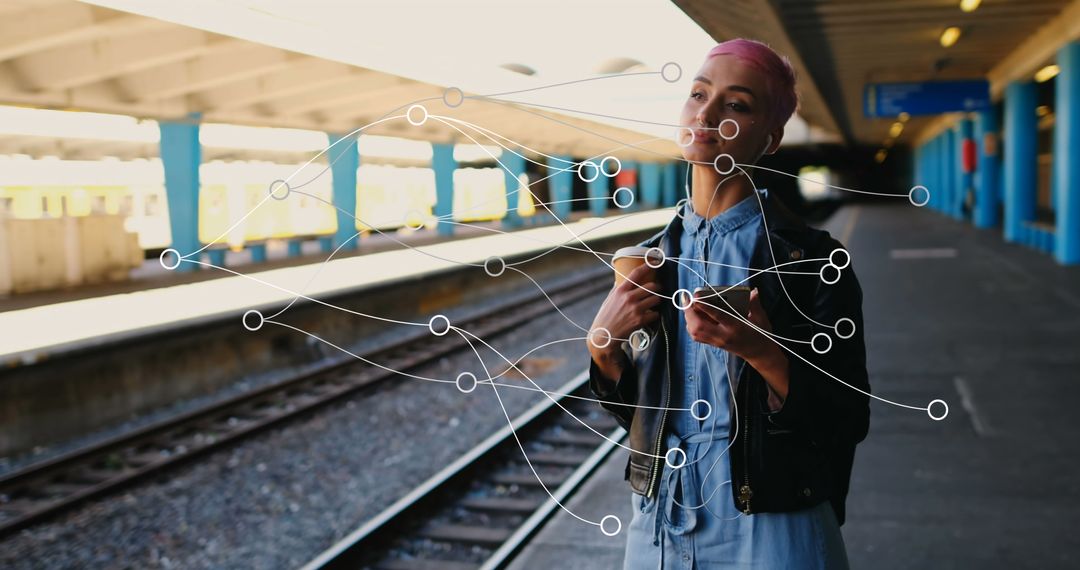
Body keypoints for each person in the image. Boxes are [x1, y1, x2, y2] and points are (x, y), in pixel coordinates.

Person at [586, 38, 870, 569]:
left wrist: (763, 352)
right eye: (698, 94)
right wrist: (603, 349)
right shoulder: (653, 258)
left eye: (736, 104)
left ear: (771, 137)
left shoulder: (811, 259)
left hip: (773, 520)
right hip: (658, 519)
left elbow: (846, 417)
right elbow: (642, 413)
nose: (708, 112)